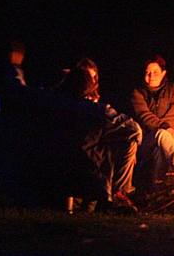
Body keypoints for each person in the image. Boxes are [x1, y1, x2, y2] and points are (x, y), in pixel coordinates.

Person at [56, 62, 142, 213]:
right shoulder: (96, 110)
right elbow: (134, 129)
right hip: (87, 170)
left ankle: (113, 196)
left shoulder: (51, 102)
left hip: (53, 166)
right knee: (119, 145)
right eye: (89, 79)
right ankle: (116, 197)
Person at [131, 55, 174, 188]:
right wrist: (164, 127)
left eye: (155, 72)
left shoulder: (172, 89)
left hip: (168, 139)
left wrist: (167, 128)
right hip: (146, 140)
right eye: (148, 73)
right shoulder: (138, 92)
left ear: (163, 73)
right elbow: (144, 115)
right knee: (162, 134)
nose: (151, 76)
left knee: (159, 152)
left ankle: (159, 188)